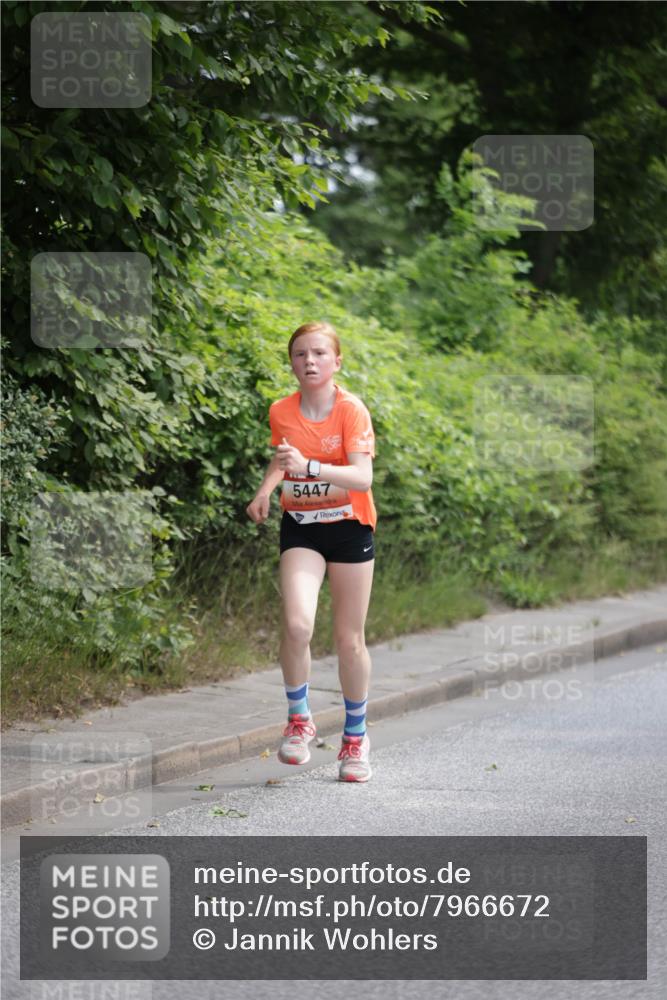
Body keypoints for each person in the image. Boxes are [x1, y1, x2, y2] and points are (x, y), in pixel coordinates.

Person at [246, 321, 377, 782]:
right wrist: (266, 489)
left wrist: (313, 466)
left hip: (349, 529)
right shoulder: (281, 410)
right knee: (298, 625)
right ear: (292, 363)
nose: (310, 361)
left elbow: (362, 478)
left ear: (336, 361)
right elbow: (283, 457)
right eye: (301, 354)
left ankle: (355, 739)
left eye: (320, 353)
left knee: (348, 639)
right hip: (301, 527)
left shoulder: (351, 410)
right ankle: (299, 721)